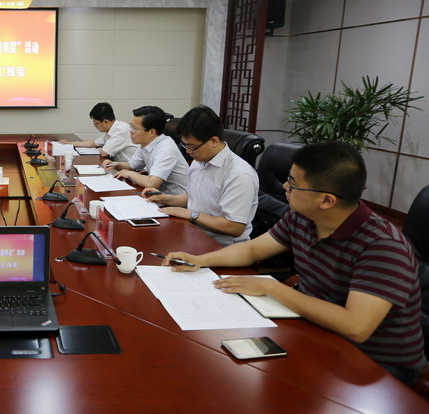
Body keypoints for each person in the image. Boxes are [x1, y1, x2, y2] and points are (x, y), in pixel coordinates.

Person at [163, 142, 427, 384]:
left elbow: (355, 327)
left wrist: (272, 288)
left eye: (293, 182)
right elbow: (253, 249)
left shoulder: (382, 245)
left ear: (327, 200)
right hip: (316, 330)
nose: (284, 187)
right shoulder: (302, 216)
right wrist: (199, 260)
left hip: (374, 363)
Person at [144, 105, 257, 246]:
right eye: (185, 145)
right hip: (192, 232)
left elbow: (234, 227)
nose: (188, 152)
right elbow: (193, 197)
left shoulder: (239, 174)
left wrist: (191, 214)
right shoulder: (199, 160)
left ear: (214, 141)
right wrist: (165, 198)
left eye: (192, 147)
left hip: (221, 246)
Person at [105, 105, 189, 195]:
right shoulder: (146, 143)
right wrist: (115, 164)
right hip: (157, 195)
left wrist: (129, 173)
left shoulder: (166, 148)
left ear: (151, 132)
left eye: (134, 128)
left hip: (176, 199)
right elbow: (131, 165)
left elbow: (152, 183)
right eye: (131, 126)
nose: (130, 131)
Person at [60, 102, 138, 161]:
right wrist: (71, 143)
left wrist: (95, 149)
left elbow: (104, 153)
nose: (94, 126)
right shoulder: (112, 129)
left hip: (133, 169)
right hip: (119, 165)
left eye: (96, 123)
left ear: (105, 122)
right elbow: (94, 143)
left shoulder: (121, 130)